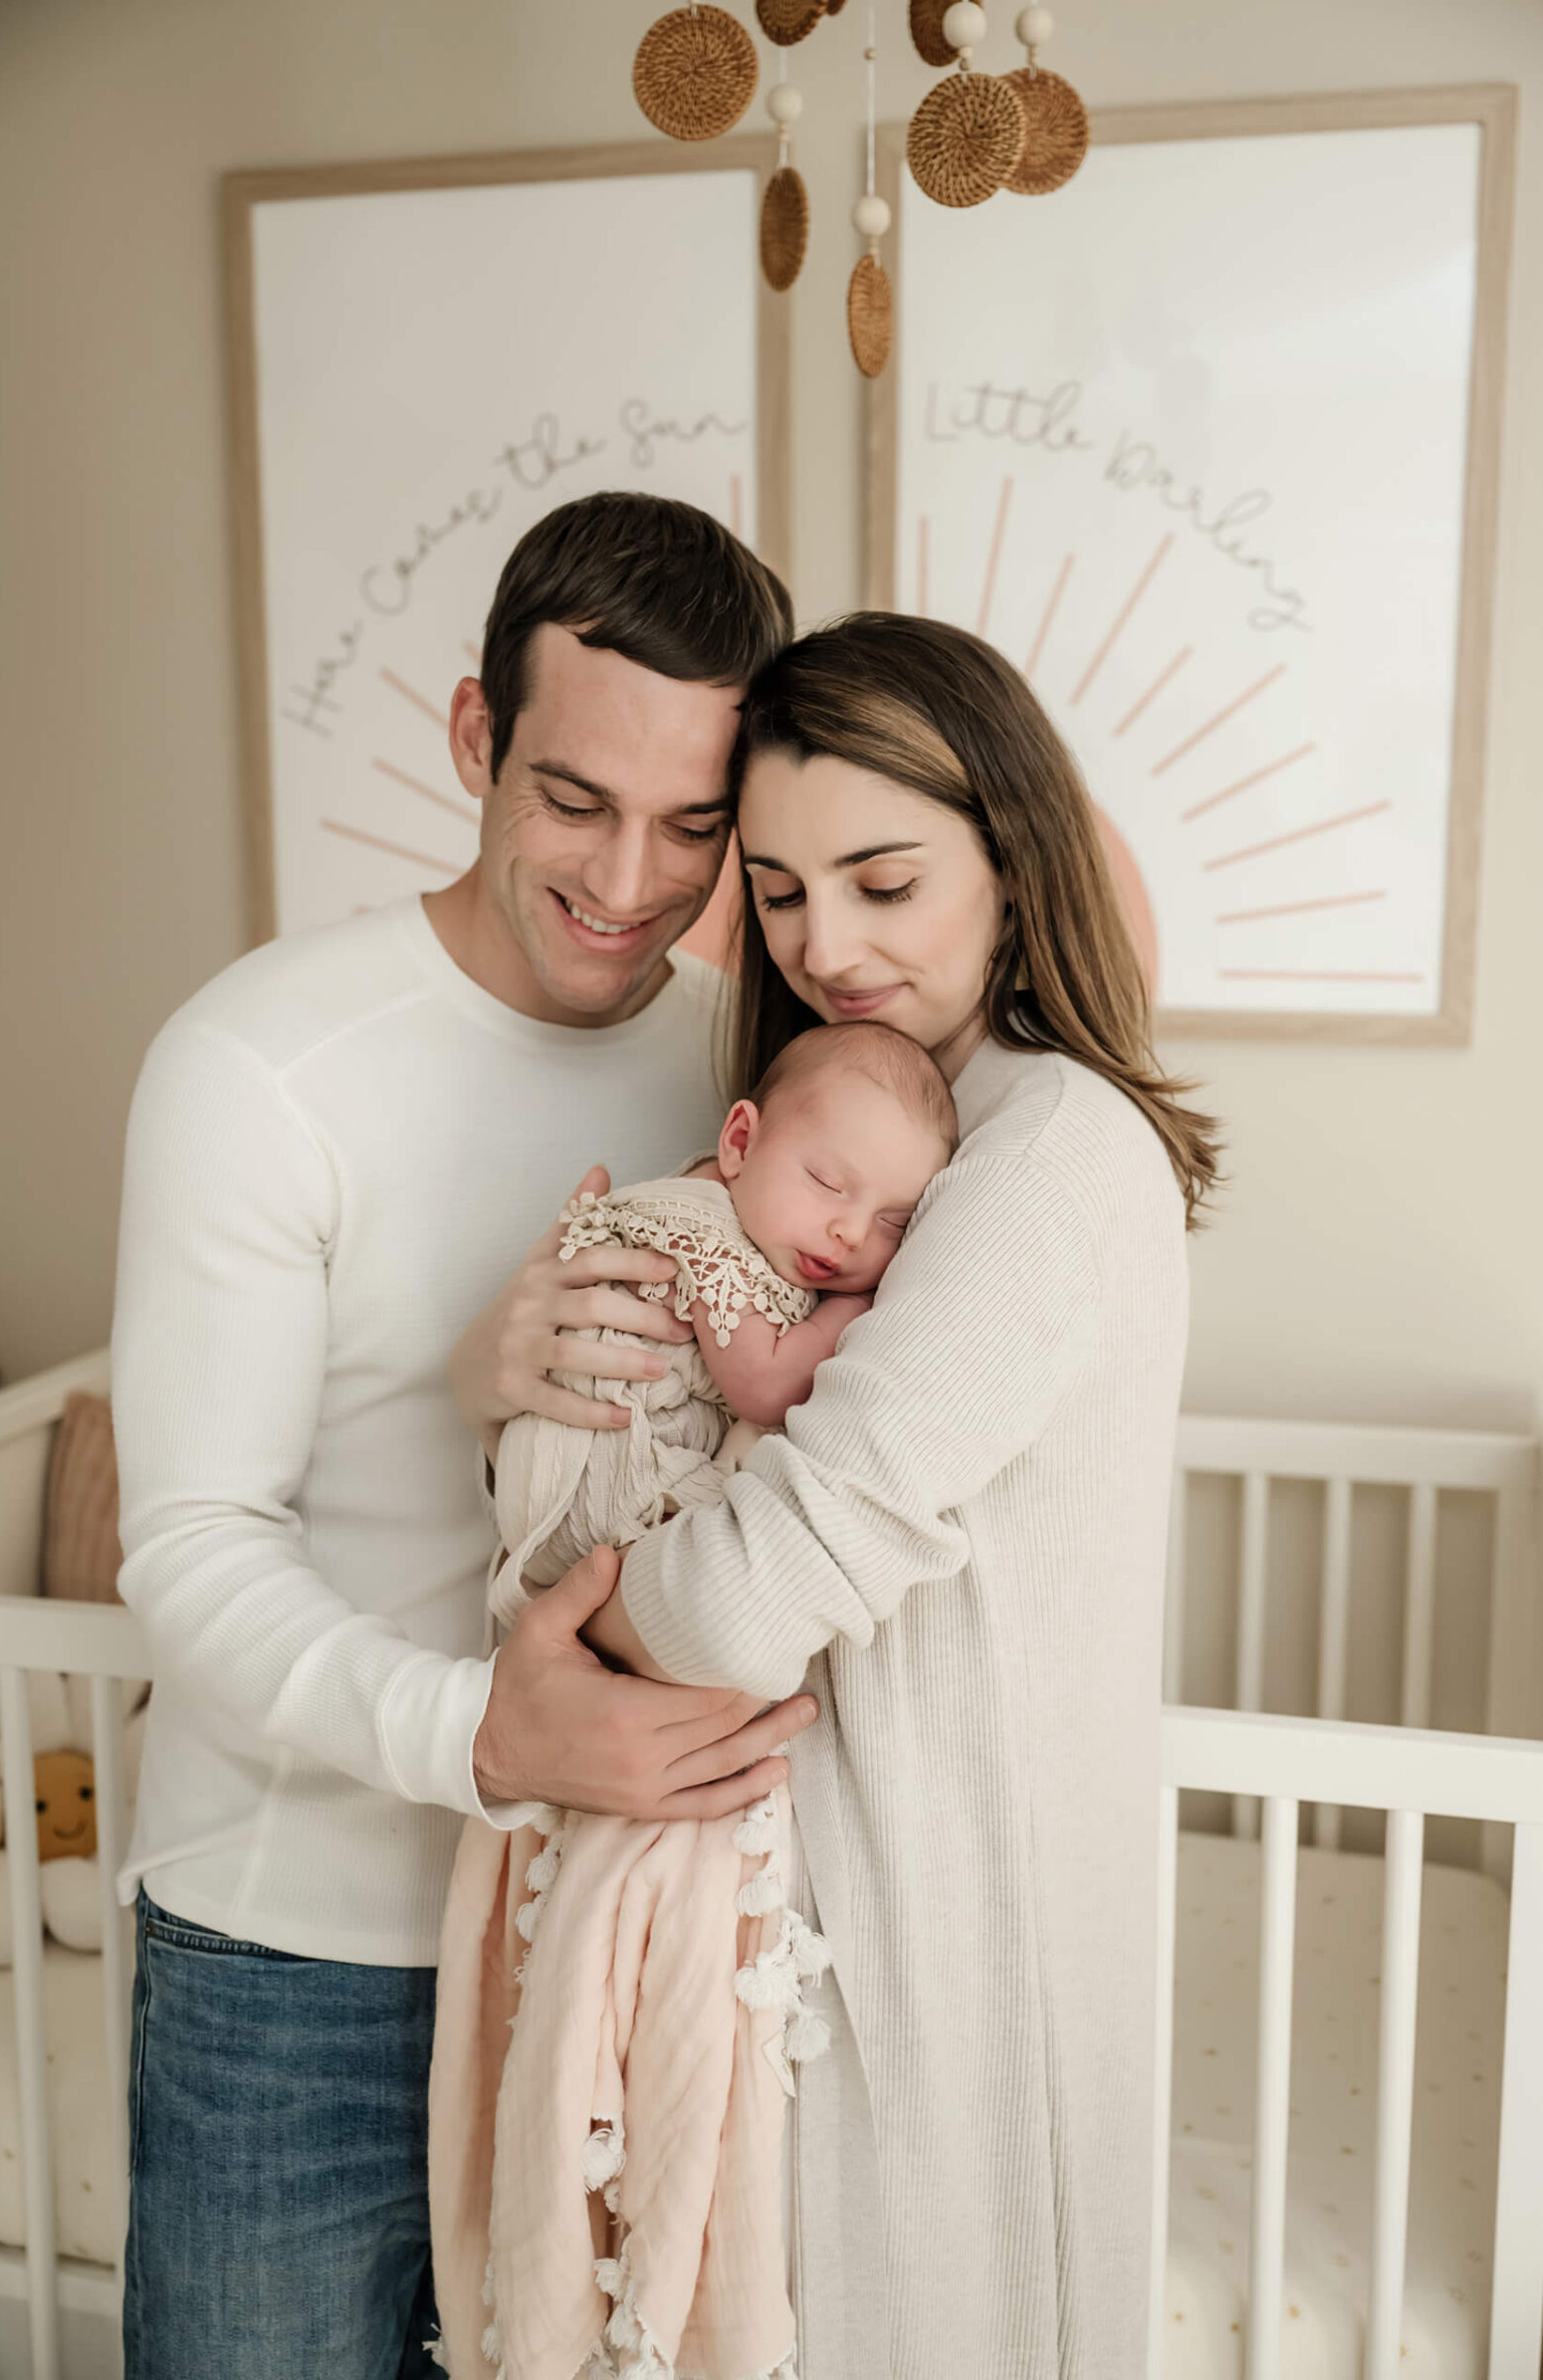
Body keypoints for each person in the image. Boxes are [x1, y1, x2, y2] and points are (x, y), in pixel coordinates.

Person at [463, 612, 1219, 2378]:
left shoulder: (1046, 1160)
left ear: (1013, 861)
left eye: (886, 881)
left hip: (956, 1934)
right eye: (786, 894)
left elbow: (743, 1596)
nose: (829, 946)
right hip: (841, 1915)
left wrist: (557, 1642)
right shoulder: (896, 1138)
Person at [109, 493, 815, 2380]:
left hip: (613, 1950)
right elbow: (186, 1546)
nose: (633, 879)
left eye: (695, 824)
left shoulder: (745, 1072)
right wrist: (480, 1731)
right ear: (474, 739)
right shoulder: (260, 1063)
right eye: (575, 799)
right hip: (299, 1969)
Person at [429, 1022, 958, 2380]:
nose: (849, 1235)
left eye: (896, 1221)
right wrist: (860, 1320)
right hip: (588, 1513)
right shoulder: (701, 1239)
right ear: (737, 1146)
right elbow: (766, 1384)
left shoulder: (740, 1227)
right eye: (829, 1186)